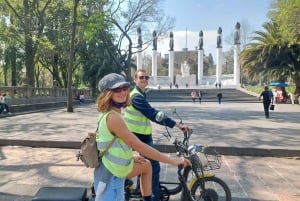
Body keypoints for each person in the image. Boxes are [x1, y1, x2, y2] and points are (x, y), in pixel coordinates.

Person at [94, 73, 191, 201]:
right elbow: (138, 145)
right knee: (150, 163)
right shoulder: (112, 118)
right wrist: (174, 161)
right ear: (107, 93)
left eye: (124, 88)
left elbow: (110, 145)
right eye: (117, 89)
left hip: (113, 170)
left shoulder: (111, 114)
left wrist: (131, 157)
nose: (122, 92)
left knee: (146, 165)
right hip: (111, 179)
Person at [124, 69, 190, 201]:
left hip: (143, 136)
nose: (144, 79)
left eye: (146, 77)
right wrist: (177, 125)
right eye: (141, 77)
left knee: (143, 163)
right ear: (135, 80)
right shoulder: (136, 96)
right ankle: (154, 197)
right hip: (138, 138)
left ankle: (140, 190)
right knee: (153, 166)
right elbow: (153, 114)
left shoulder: (141, 94)